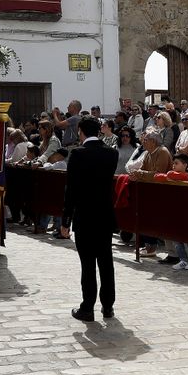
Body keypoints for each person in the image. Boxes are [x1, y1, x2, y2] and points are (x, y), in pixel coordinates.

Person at [63, 116, 117, 323]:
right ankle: (108, 305)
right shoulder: (111, 154)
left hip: (85, 214)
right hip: (104, 214)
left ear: (80, 131)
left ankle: (87, 307)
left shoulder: (77, 154)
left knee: (88, 264)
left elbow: (71, 189)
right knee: (106, 262)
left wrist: (66, 219)